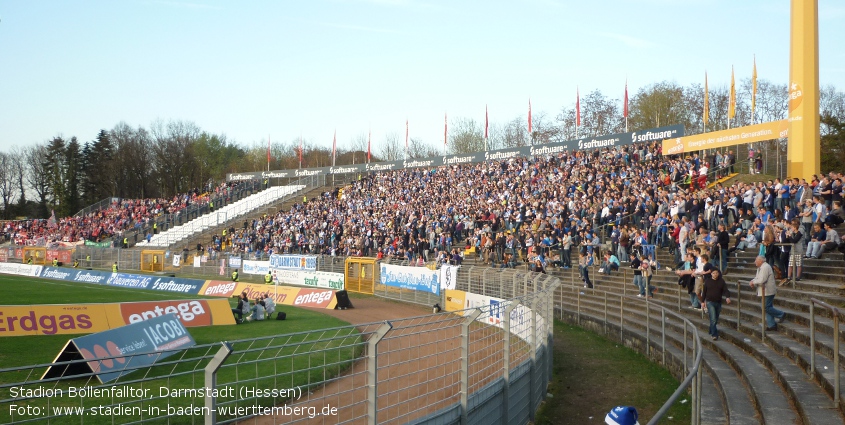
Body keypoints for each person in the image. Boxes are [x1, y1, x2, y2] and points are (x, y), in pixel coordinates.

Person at [749, 255, 786, 331]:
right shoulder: (760, 268)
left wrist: (753, 282)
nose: (755, 262)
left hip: (768, 291)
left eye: (756, 260)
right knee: (767, 307)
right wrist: (752, 281)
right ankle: (771, 325)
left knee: (765, 307)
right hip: (764, 291)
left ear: (761, 261)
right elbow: (757, 277)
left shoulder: (765, 267)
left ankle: (781, 314)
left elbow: (762, 280)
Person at [700, 268, 731, 340]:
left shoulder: (721, 281)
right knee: (713, 318)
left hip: (718, 302)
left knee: (715, 319)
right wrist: (702, 302)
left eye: (716, 273)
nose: (715, 274)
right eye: (713, 273)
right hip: (710, 302)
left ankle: (711, 330)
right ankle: (714, 334)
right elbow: (704, 292)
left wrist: (727, 297)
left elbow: (725, 290)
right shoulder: (708, 281)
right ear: (711, 274)